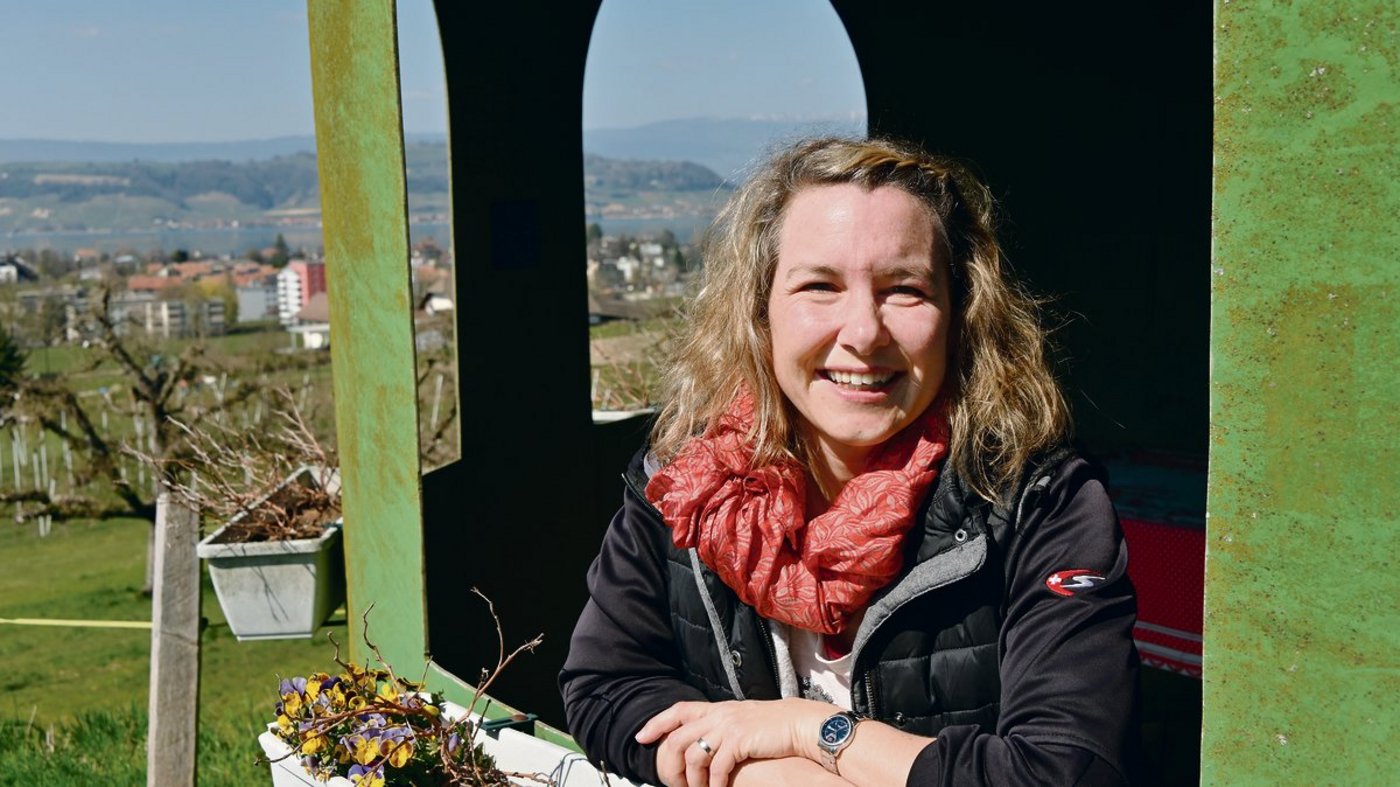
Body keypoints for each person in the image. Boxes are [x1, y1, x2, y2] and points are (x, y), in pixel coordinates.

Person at [560, 137, 1139, 786]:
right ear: (760, 313)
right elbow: (605, 685)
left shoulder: (1037, 501)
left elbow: (1064, 770)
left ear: (959, 316)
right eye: (820, 285)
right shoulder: (687, 481)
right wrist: (772, 775)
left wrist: (808, 728)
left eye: (905, 289)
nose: (863, 331)